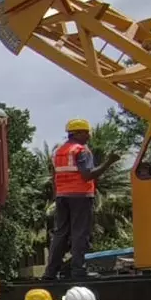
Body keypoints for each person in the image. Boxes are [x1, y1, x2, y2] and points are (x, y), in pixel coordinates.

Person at [43, 118, 119, 280]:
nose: (89, 136)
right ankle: (79, 270)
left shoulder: (59, 151)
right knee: (79, 233)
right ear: (77, 133)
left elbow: (54, 176)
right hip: (80, 196)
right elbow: (87, 175)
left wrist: (56, 197)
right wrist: (108, 162)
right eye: (86, 132)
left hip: (62, 196)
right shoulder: (81, 151)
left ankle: (50, 272)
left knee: (60, 233)